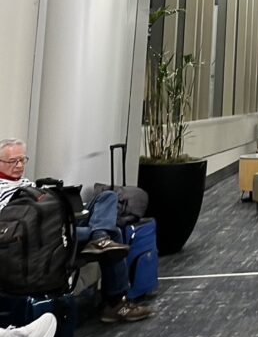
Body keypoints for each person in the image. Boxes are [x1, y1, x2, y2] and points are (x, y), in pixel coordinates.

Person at [0, 139, 152, 325]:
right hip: (45, 236)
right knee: (114, 234)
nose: (19, 166)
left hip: (60, 223)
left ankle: (100, 238)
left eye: (22, 160)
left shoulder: (27, 182)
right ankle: (115, 302)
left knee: (107, 196)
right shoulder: (2, 189)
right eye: (13, 161)